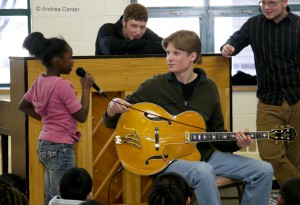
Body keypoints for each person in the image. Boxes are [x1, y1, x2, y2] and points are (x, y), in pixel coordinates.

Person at [103, 30, 274, 205]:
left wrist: (238, 143)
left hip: (204, 155)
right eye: (168, 53)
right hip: (166, 160)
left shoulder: (209, 88)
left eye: (176, 53)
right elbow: (117, 118)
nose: (169, 58)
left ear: (193, 56)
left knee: (264, 169)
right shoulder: (154, 85)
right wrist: (112, 108)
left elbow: (218, 134)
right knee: (204, 171)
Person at [220, 0, 300, 187]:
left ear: (284, 2)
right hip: (268, 101)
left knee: (295, 156)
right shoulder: (254, 24)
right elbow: (235, 41)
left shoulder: (298, 26)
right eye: (263, 2)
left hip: (297, 98)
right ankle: (296, 193)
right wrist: (228, 47)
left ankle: (290, 197)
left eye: (272, 3)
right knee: (269, 154)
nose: (266, 7)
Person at [18, 32, 95, 205]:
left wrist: (47, 119)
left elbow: (23, 105)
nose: (73, 61)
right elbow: (82, 116)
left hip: (44, 145)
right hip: (61, 148)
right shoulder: (62, 85)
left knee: (51, 197)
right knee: (63, 198)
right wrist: (85, 89)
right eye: (70, 57)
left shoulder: (39, 82)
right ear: (59, 61)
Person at [95, 3, 165, 55]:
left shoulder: (145, 32)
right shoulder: (107, 29)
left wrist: (126, 50)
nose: (138, 32)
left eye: (142, 27)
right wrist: (142, 42)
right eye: (134, 26)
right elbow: (110, 48)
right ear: (124, 22)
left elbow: (166, 47)